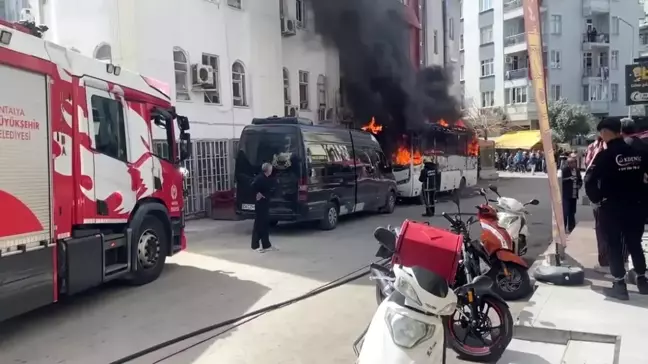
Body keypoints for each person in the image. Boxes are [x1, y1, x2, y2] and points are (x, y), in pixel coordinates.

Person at [585, 118, 648, 300]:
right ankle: (642, 281)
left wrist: (598, 199)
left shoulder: (604, 156)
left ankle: (619, 284)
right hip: (636, 206)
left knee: (614, 245)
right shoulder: (638, 152)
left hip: (612, 207)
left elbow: (589, 181)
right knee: (634, 243)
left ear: (605, 132)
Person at [585, 136, 609, 273]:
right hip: (623, 200)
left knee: (602, 231)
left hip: (602, 199)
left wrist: (595, 199)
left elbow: (589, 175)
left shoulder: (596, 151)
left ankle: (605, 262)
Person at [250, 163, 278, 253]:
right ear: (267, 169)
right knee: (258, 224)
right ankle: (255, 245)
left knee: (265, 225)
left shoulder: (268, 178)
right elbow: (252, 186)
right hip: (260, 204)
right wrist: (258, 193)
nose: (272, 170)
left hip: (265, 204)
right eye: (271, 168)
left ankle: (266, 245)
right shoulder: (260, 178)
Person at [558, 156, 582, 234]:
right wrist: (569, 178)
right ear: (568, 163)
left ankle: (571, 228)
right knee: (565, 212)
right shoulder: (564, 170)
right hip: (566, 194)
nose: (573, 164)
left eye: (574, 162)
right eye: (571, 162)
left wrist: (579, 185)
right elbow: (560, 180)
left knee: (572, 212)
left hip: (574, 194)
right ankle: (563, 229)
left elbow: (580, 180)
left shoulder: (577, 170)